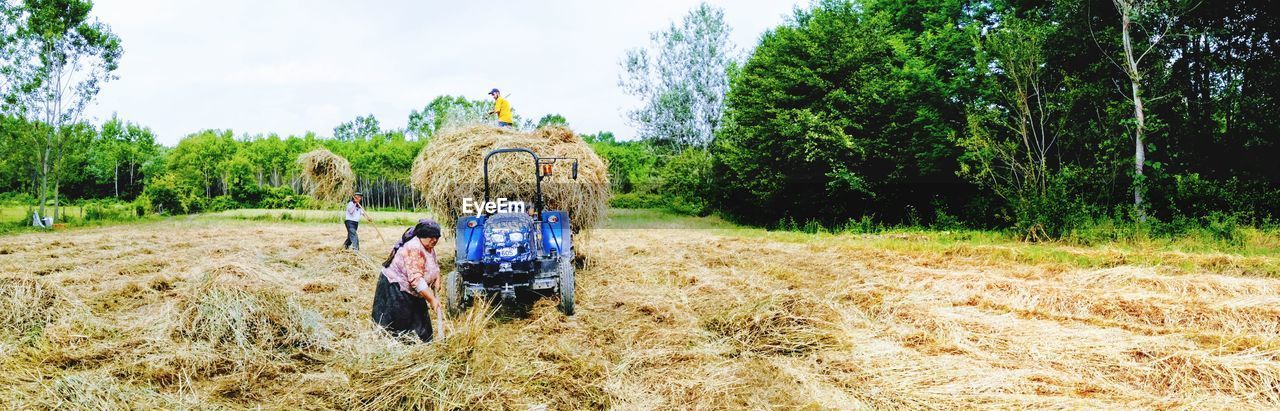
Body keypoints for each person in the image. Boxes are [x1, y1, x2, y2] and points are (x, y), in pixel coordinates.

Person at [371, 219, 443, 342]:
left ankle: (423, 344)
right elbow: (416, 280)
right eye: (431, 237)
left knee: (422, 328)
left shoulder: (429, 246)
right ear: (422, 235)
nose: (435, 240)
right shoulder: (413, 248)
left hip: (416, 290)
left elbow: (434, 264)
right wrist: (431, 299)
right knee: (398, 328)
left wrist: (437, 278)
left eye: (437, 237)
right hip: (396, 287)